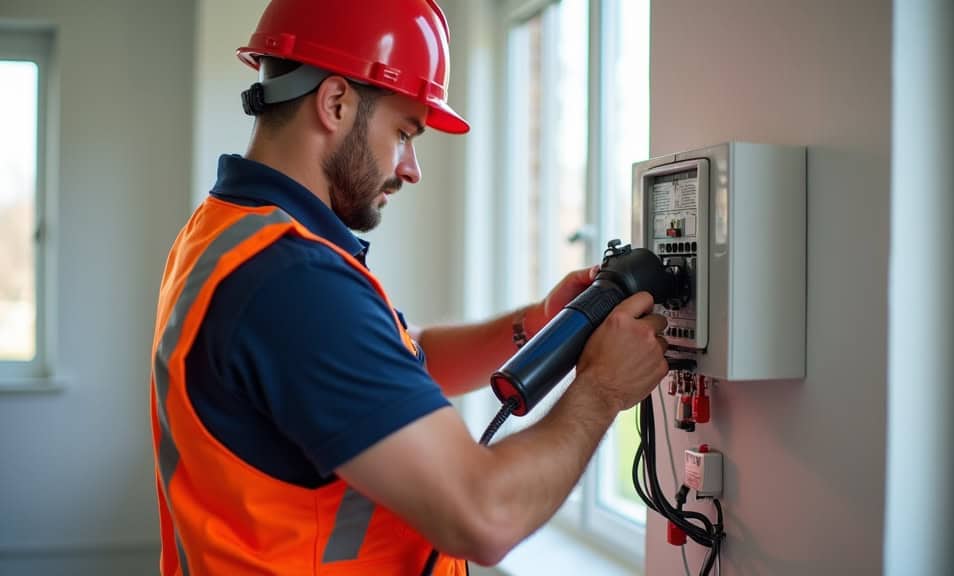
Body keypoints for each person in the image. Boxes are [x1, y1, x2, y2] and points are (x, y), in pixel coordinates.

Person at [148, 0, 668, 574]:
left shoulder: (234, 231)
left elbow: (399, 360)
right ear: (336, 103)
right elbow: (483, 515)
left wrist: (533, 323)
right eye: (404, 132)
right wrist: (601, 391)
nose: (412, 167)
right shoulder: (293, 282)